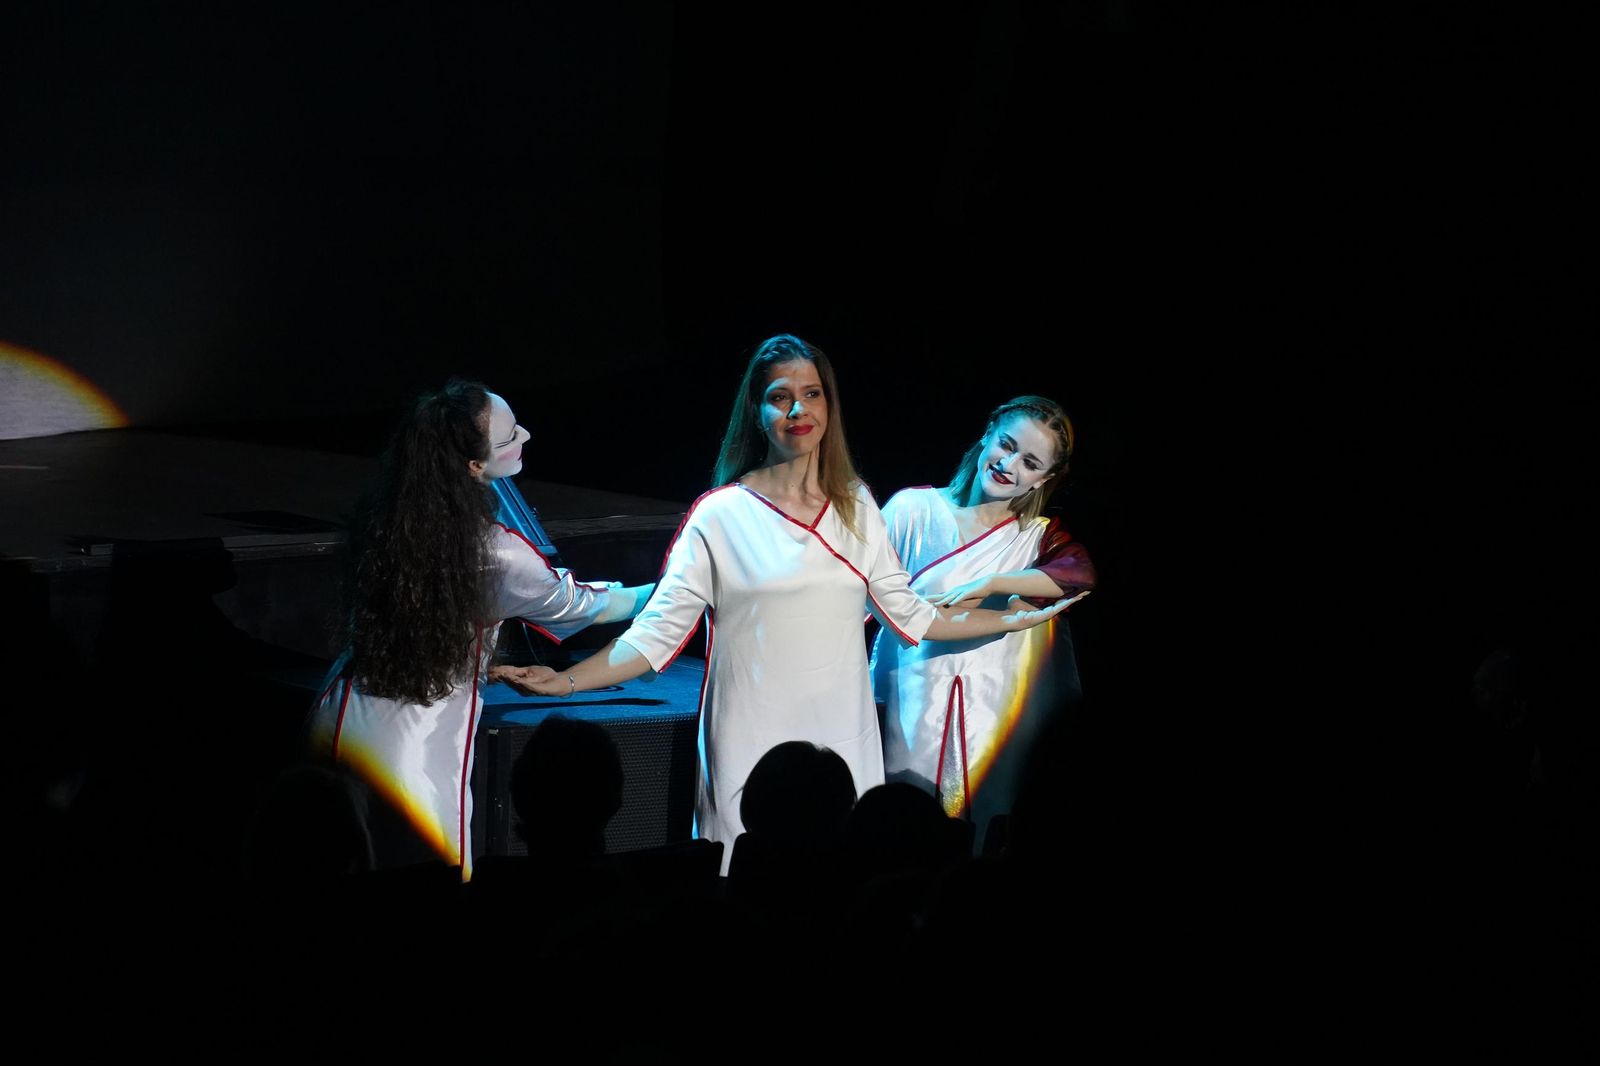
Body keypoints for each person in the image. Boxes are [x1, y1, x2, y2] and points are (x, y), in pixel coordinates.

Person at [495, 336, 1073, 869]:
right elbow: (654, 638)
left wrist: (1011, 618)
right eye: (780, 397)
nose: (799, 411)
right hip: (748, 744)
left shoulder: (858, 508)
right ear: (757, 411)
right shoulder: (720, 515)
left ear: (830, 407)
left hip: (842, 750)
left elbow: (915, 618)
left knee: (837, 904)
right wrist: (566, 682)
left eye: (812, 394)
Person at [305, 378, 654, 878]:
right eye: (511, 437)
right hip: (407, 752)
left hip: (336, 716)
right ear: (473, 465)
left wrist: (481, 664)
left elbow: (418, 620)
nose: (526, 437)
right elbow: (586, 605)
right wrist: (664, 590)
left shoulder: (387, 518)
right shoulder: (494, 553)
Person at [869, 395, 1096, 847]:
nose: (1009, 464)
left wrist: (993, 583)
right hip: (907, 694)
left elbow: (1079, 574)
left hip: (989, 713)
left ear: (1043, 480)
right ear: (987, 435)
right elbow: (863, 594)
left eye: (1030, 462)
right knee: (900, 822)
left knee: (980, 829)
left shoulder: (1034, 538)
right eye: (1006, 445)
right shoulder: (912, 509)